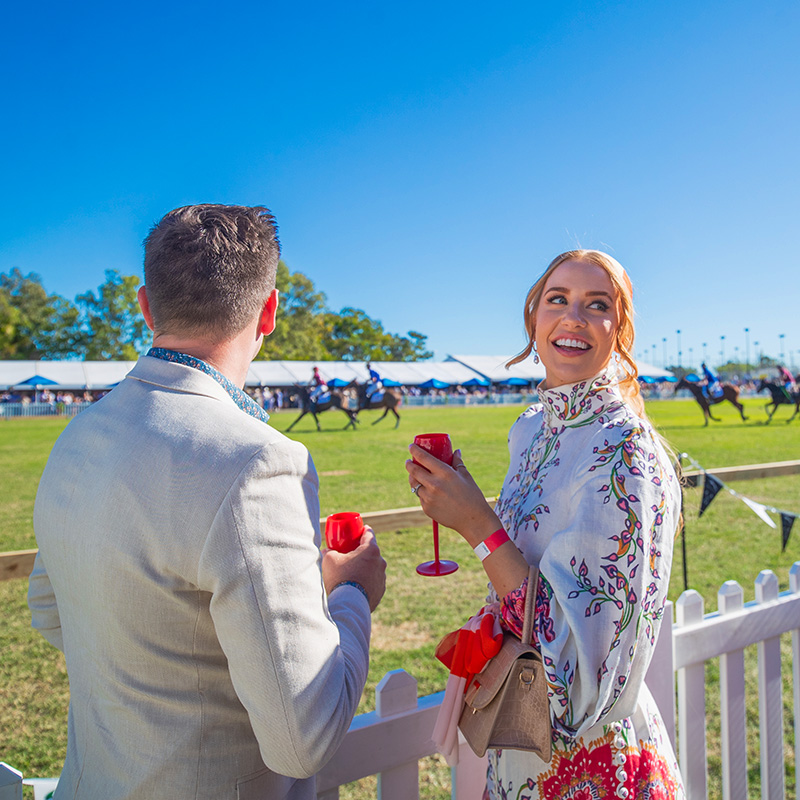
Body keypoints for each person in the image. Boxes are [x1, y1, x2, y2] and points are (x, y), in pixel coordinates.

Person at [28, 204, 386, 800]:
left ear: (145, 305)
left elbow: (49, 609)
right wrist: (351, 594)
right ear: (269, 311)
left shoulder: (78, 434)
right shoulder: (258, 463)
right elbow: (304, 740)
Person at [406, 250, 684, 799]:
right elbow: (524, 568)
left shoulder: (624, 450)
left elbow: (584, 679)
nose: (573, 317)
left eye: (596, 305)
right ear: (534, 318)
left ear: (619, 329)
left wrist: (478, 524)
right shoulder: (529, 429)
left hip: (592, 762)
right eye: (558, 299)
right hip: (518, 745)